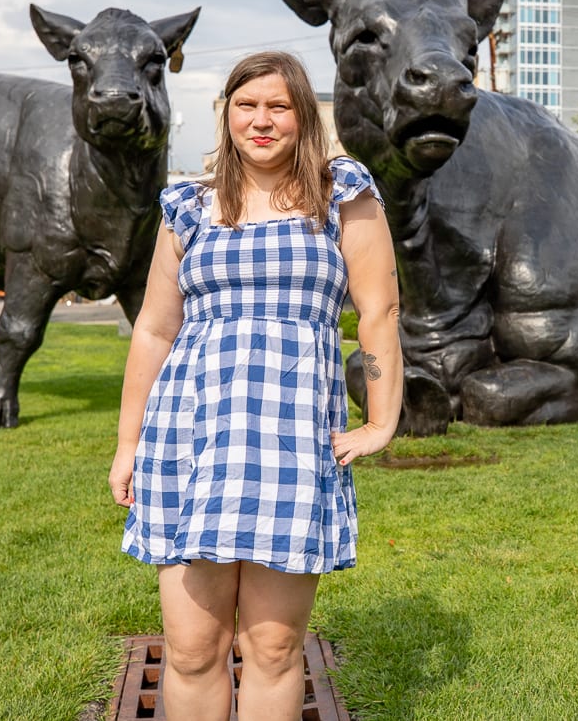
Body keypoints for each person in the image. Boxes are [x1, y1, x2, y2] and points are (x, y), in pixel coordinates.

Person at [108, 51, 402, 721]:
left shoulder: (342, 193)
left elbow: (379, 312)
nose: (261, 119)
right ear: (227, 114)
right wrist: (128, 444)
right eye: (247, 105)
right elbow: (154, 329)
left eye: (278, 105)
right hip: (190, 441)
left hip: (293, 446)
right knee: (190, 650)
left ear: (302, 115)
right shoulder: (189, 205)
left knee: (272, 648)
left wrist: (381, 420)